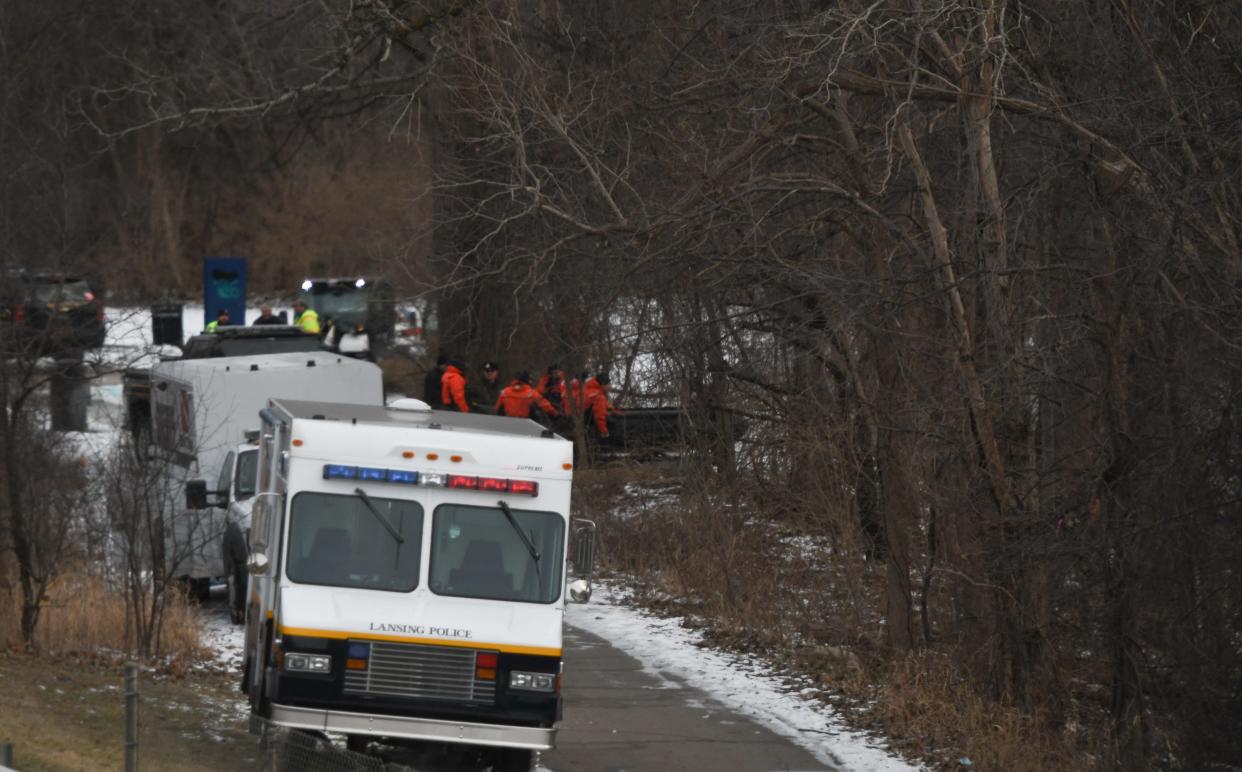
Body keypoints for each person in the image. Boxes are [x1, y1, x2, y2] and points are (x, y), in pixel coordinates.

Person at [583, 371, 619, 438]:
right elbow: (599, 416)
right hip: (589, 427)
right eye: (608, 384)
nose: (610, 386)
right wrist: (604, 432)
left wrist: (614, 410)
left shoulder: (590, 390)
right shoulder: (598, 396)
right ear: (603, 384)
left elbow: (605, 405)